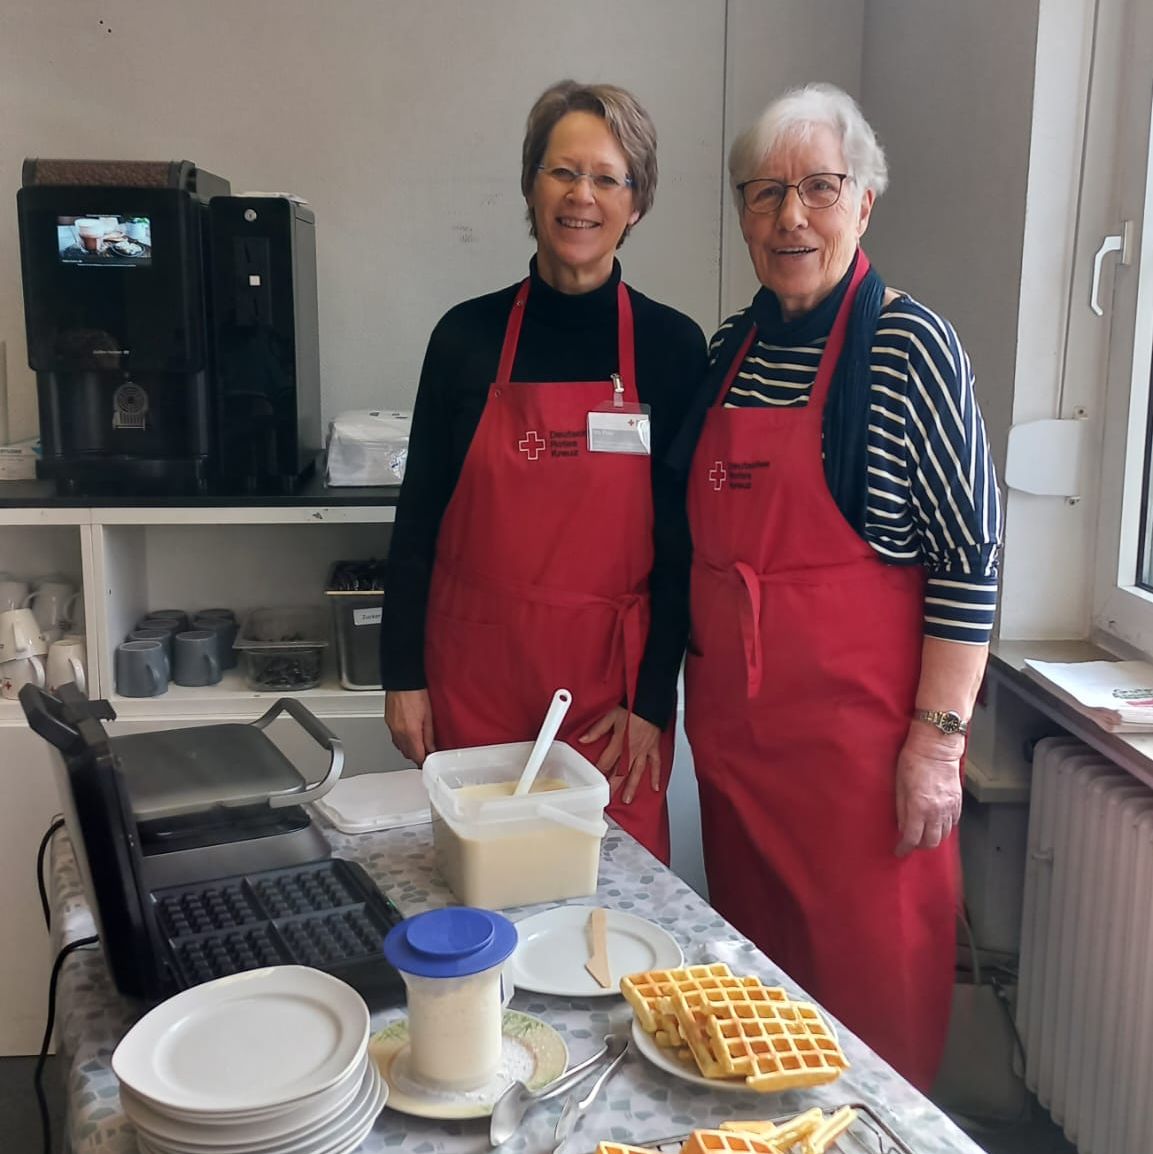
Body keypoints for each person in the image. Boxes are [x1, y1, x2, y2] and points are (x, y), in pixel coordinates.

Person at [674, 83, 1002, 1089]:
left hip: (863, 780)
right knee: (754, 1026)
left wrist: (937, 746)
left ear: (865, 201)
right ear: (740, 214)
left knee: (868, 1042)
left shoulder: (911, 349)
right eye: (765, 192)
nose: (790, 216)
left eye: (819, 187)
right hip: (738, 765)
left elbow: (969, 556)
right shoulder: (728, 350)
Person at [380, 80, 706, 863]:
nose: (581, 197)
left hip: (606, 706)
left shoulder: (669, 347)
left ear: (637, 201)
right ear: (531, 184)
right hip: (472, 686)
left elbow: (679, 548)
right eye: (562, 172)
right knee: (484, 904)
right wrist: (402, 676)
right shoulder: (463, 337)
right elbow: (417, 518)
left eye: (607, 177)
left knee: (609, 915)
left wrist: (653, 703)